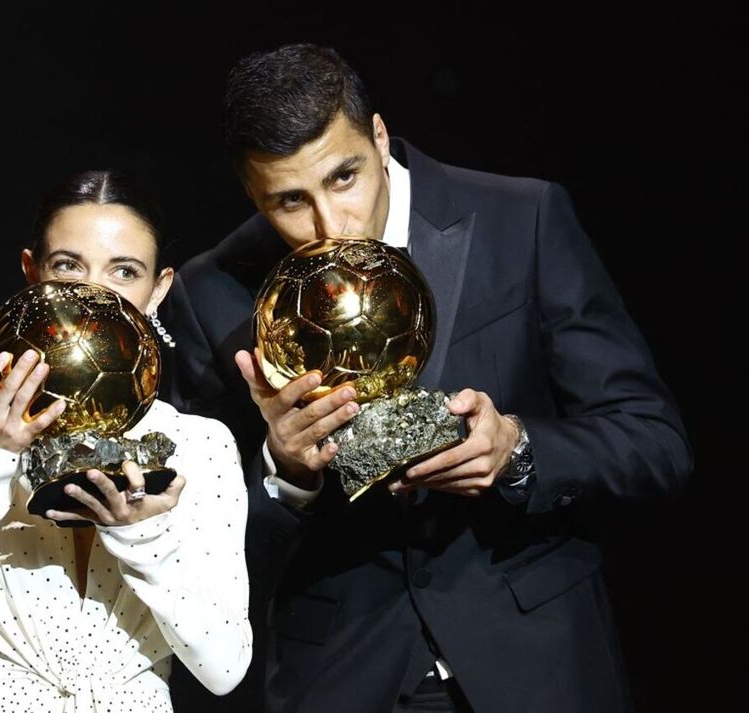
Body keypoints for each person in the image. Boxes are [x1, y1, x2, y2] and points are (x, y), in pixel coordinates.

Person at [164, 44, 693, 713]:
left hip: (537, 666)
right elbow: (195, 560)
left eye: (344, 178)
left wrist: (517, 449)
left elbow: (654, 440)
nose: (331, 224)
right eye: (290, 200)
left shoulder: (522, 219)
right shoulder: (212, 293)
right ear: (251, 192)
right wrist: (285, 474)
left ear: (379, 137)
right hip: (346, 677)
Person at [0, 171, 252, 712]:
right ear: (32, 273)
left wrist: (142, 537)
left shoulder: (197, 444)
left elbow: (225, 669)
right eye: (68, 265)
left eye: (124, 271)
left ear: (159, 289)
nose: (92, 295)